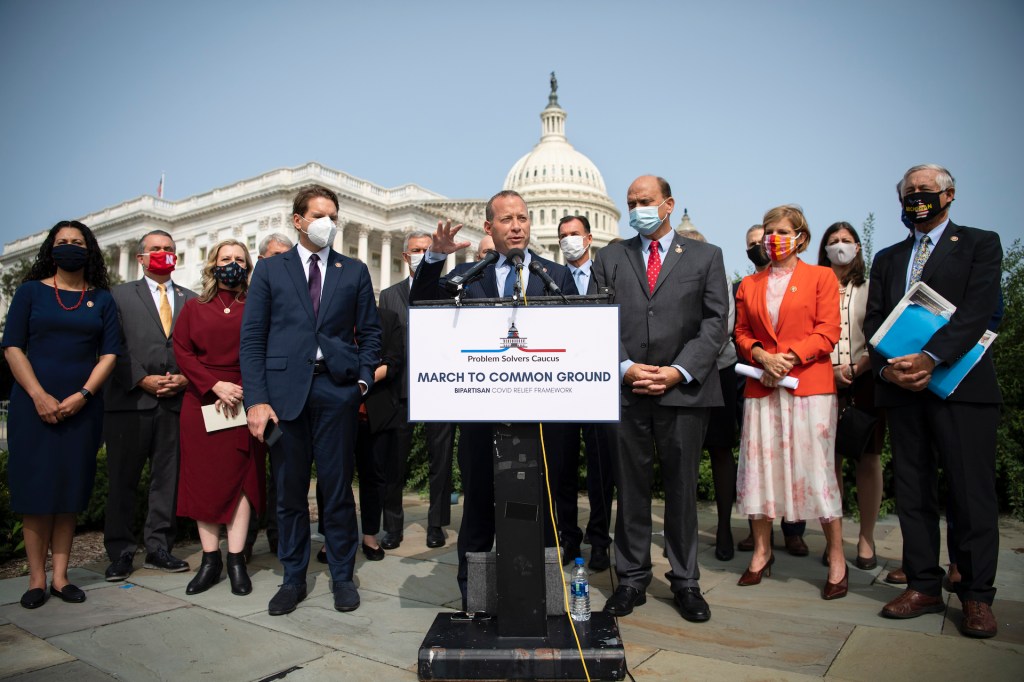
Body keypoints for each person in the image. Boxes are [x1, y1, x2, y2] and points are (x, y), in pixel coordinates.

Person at [410, 189, 577, 607]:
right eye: (507, 219)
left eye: (522, 218)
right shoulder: (469, 275)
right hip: (482, 420)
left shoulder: (553, 273)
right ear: (489, 227)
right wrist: (434, 259)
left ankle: (541, 597)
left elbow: (578, 332)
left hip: (543, 421)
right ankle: (476, 597)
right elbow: (422, 302)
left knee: (543, 511)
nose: (517, 226)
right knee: (480, 510)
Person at [865, 164, 1002, 638]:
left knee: (971, 494)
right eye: (909, 192)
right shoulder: (887, 258)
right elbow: (875, 323)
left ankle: (977, 596)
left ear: (949, 195)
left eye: (926, 190)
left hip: (960, 387)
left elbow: (979, 311)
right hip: (902, 391)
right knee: (914, 491)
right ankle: (923, 584)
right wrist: (888, 369)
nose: (917, 197)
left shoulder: (980, 243)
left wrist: (930, 358)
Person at [591, 175, 728, 623]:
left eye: (645, 201)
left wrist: (676, 371)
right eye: (630, 202)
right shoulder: (611, 257)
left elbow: (714, 322)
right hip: (627, 391)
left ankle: (686, 581)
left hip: (684, 391)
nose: (636, 208)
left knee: (682, 490)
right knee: (629, 490)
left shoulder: (707, 257)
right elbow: (593, 320)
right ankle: (630, 578)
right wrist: (626, 366)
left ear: (668, 205)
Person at [240, 184, 381, 616]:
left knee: (338, 492)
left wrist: (359, 384)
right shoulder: (270, 270)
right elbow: (253, 340)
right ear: (298, 220)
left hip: (335, 391)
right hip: (284, 397)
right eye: (320, 215)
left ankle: (342, 575)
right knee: (290, 493)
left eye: (334, 216)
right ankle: (293, 578)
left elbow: (370, 334)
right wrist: (257, 401)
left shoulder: (353, 270)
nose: (329, 223)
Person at [2, 220, 120, 608]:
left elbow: (109, 354)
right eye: (62, 242)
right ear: (51, 249)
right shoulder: (29, 292)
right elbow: (13, 347)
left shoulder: (101, 299)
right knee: (35, 493)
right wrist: (38, 395)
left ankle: (61, 577)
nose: (70, 247)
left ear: (90, 250)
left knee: (69, 492)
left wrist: (84, 394)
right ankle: (36, 580)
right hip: (32, 405)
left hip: (81, 408)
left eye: (77, 242)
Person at [734, 205, 847, 599]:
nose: (773, 238)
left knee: (816, 469)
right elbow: (742, 333)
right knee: (761, 470)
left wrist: (790, 357)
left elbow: (828, 330)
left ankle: (836, 556)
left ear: (801, 237)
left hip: (808, 386)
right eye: (768, 231)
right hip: (762, 385)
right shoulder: (750, 283)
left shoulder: (821, 278)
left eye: (782, 231)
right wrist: (762, 355)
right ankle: (762, 552)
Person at [174, 239, 266, 596]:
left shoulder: (257, 306)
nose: (232, 264)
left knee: (243, 482)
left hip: (245, 401)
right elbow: (182, 351)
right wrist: (214, 385)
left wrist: (240, 389)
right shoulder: (194, 308)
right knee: (204, 482)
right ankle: (210, 561)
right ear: (213, 264)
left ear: (248, 267)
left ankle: (237, 559)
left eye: (239, 259)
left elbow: (263, 351)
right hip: (202, 404)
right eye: (225, 258)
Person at [103, 230, 196, 581]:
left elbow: (198, 350)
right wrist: (141, 378)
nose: (164, 254)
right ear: (141, 258)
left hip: (175, 403)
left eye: (169, 249)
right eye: (156, 249)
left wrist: (185, 378)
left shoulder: (191, 299)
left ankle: (159, 547)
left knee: (166, 481)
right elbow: (114, 346)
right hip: (130, 402)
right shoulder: (118, 296)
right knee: (123, 480)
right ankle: (121, 552)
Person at [377, 231, 456, 550]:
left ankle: (436, 524)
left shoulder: (448, 291)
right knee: (394, 462)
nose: (422, 254)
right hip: (401, 388)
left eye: (428, 250)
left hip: (438, 388)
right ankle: (392, 525)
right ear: (404, 256)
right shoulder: (390, 294)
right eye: (416, 250)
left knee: (441, 460)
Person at [735, 224, 809, 557]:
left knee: (791, 459)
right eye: (752, 244)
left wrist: (782, 363)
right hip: (756, 378)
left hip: (795, 378)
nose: (758, 248)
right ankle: (759, 534)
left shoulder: (803, 280)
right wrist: (763, 360)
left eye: (760, 241)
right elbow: (740, 334)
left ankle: (793, 530)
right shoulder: (744, 286)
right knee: (758, 463)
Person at [817, 222, 885, 569]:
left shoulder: (872, 289)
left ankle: (866, 538)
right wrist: (829, 372)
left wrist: (856, 370)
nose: (839, 246)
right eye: (833, 241)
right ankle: (835, 542)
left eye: (846, 241)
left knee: (868, 459)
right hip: (821, 380)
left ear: (858, 247)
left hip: (864, 380)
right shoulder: (815, 285)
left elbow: (882, 336)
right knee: (828, 464)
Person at [553, 214, 617, 571]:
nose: (568, 240)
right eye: (563, 235)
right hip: (561, 386)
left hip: (598, 384)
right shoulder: (551, 278)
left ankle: (599, 539)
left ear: (589, 238)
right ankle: (568, 537)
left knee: (600, 469)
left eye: (574, 234)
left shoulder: (607, 276)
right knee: (561, 468)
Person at [678, 228, 738, 562]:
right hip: (678, 376)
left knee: (720, 449)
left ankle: (725, 527)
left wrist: (685, 360)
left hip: (717, 371)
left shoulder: (719, 275)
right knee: (682, 454)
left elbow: (721, 327)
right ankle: (683, 529)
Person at [243, 232, 294, 560]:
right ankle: (243, 544)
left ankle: (278, 538)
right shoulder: (245, 298)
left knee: (280, 473)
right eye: (276, 256)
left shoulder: (291, 300)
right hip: (243, 398)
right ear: (261, 260)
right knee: (245, 471)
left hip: (280, 403)